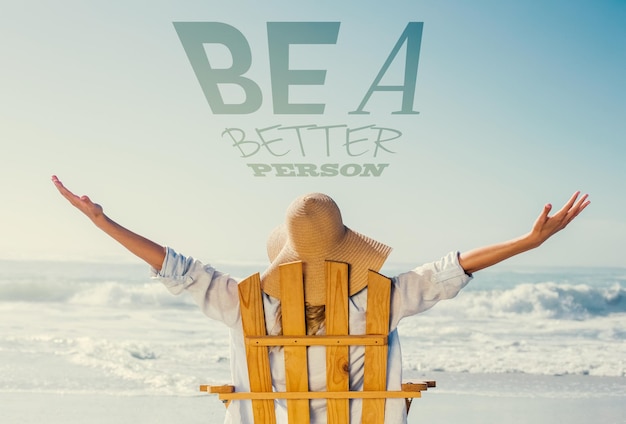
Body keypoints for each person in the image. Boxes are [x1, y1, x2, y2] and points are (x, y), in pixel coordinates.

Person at [51, 175, 589, 424]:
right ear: (348, 252)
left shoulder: (242, 303)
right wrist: (528, 241)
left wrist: (103, 221)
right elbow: (456, 267)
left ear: (283, 254)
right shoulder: (382, 298)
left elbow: (172, 266)